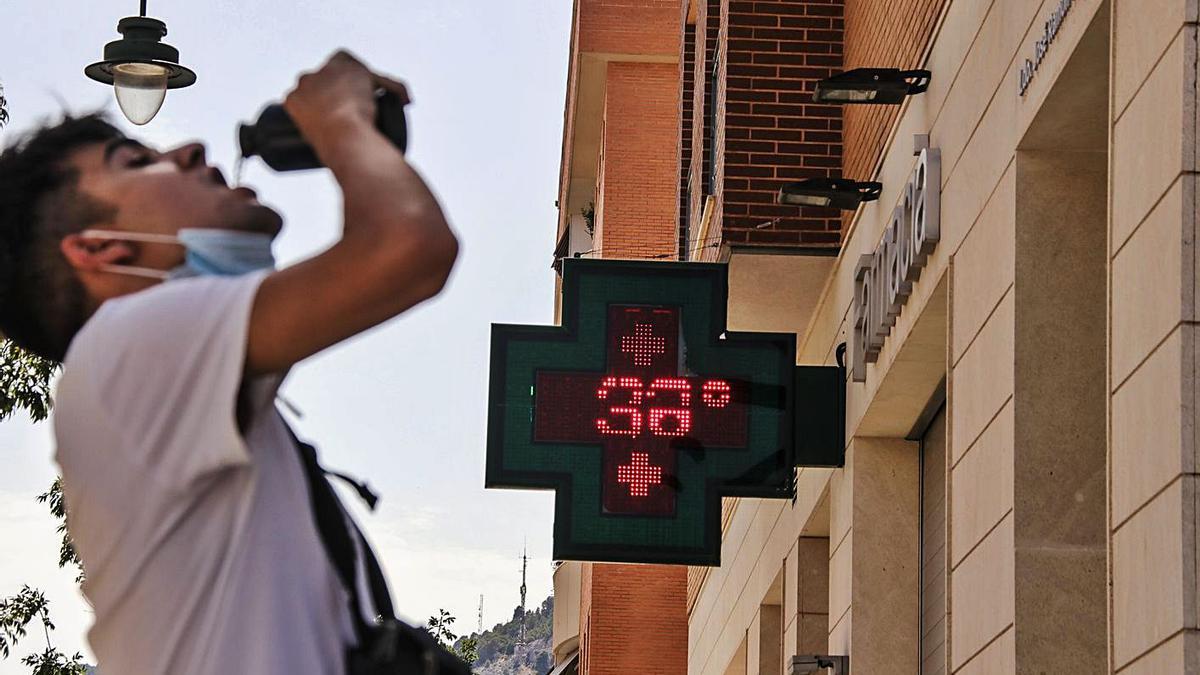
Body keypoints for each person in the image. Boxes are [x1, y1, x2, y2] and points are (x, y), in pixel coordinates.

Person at [0, 51, 458, 673]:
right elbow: (407, 245)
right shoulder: (122, 347)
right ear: (97, 248)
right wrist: (338, 120)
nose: (187, 149)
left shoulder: (167, 381)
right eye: (139, 162)